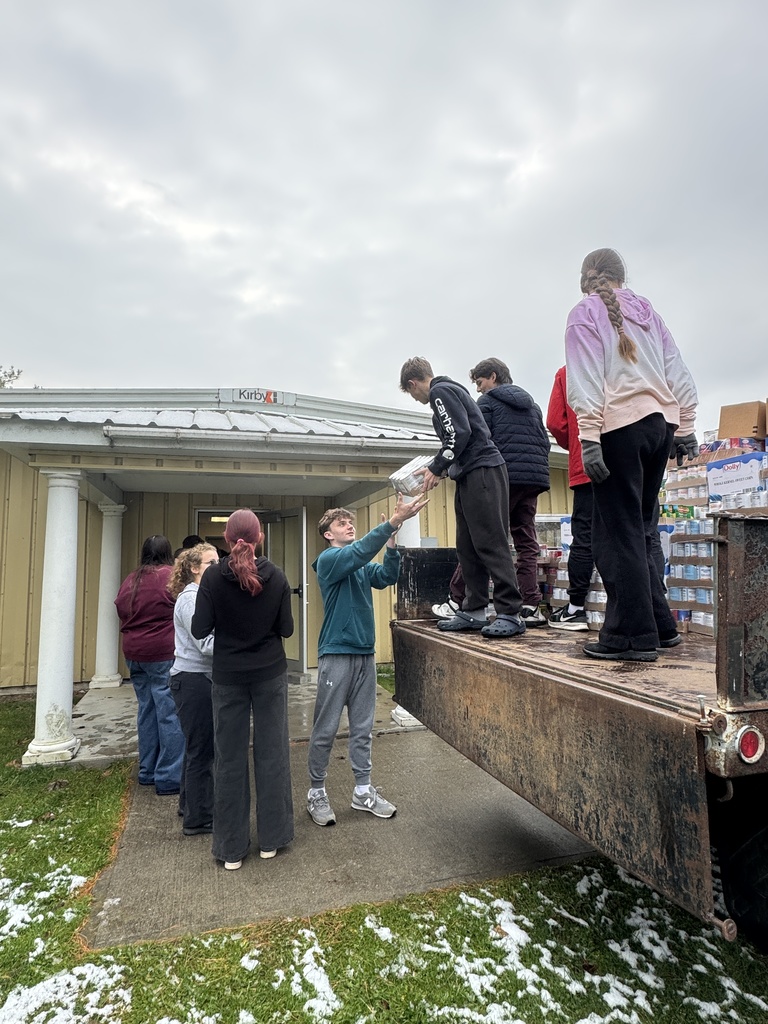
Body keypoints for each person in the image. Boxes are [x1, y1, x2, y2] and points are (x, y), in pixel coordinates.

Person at [565, 248, 698, 662]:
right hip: (661, 426)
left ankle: (630, 637)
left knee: (615, 535)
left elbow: (585, 376)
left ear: (586, 278)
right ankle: (661, 626)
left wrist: (589, 436)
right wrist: (687, 426)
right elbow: (676, 366)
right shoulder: (647, 311)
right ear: (621, 276)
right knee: (639, 530)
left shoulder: (584, 313)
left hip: (619, 428)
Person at [307, 493, 428, 827]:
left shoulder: (359, 565)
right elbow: (358, 552)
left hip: (365, 654)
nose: (349, 526)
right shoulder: (329, 560)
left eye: (351, 522)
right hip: (336, 653)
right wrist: (392, 521)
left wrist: (391, 543)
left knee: (362, 728)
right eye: (341, 523)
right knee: (325, 729)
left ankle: (363, 791)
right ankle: (316, 791)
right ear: (328, 534)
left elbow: (386, 576)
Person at [191, 510, 294, 870]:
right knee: (272, 753)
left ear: (226, 539)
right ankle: (272, 840)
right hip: (270, 675)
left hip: (228, 678)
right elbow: (287, 629)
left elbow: (199, 629)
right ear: (259, 537)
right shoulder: (277, 576)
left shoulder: (212, 578)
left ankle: (231, 849)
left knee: (229, 759)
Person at [399, 357, 526, 639]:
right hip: (468, 473)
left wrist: (437, 466)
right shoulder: (450, 392)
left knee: (491, 541)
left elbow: (458, 433)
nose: (415, 398)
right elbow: (460, 438)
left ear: (413, 383)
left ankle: (510, 613)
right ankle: (474, 609)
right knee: (467, 545)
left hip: (483, 470)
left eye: (411, 393)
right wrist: (441, 468)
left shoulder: (440, 392)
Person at [470, 358, 550, 627]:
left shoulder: (487, 403)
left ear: (493, 376)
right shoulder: (533, 406)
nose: (478, 388)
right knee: (526, 540)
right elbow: (543, 441)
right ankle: (530, 602)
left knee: (485, 535)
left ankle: (460, 599)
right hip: (533, 479)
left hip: (502, 477)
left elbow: (480, 441)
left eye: (480, 382)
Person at [115, 535, 185, 796]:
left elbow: (120, 607)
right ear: (167, 553)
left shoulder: (131, 579)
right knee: (169, 712)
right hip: (162, 653)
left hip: (134, 653)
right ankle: (169, 777)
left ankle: (147, 771)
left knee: (147, 710)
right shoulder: (169, 577)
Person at [167, 544, 219, 836]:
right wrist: (239, 641)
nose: (218, 566)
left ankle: (190, 805)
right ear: (194, 568)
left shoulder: (204, 596)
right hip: (193, 680)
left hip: (199, 679)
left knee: (196, 747)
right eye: (211, 563)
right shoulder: (190, 599)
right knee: (202, 751)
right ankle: (199, 819)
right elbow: (205, 644)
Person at [545, 365, 593, 631]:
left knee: (584, 536)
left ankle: (576, 608)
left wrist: (573, 442)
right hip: (629, 466)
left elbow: (555, 422)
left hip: (587, 464)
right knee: (633, 534)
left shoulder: (568, 372)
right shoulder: (624, 360)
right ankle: (651, 610)